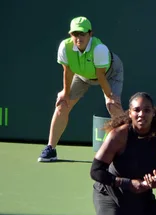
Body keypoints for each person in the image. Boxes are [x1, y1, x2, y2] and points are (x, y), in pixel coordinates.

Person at [38, 16, 124, 162]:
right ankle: (50, 149)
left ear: (90, 34)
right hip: (82, 75)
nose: (78, 38)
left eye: (82, 34)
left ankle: (128, 149)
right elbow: (68, 71)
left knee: (112, 105)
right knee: (62, 105)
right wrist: (65, 93)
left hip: (109, 73)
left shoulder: (99, 49)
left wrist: (109, 95)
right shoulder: (65, 47)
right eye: (75, 34)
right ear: (70, 35)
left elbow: (100, 75)